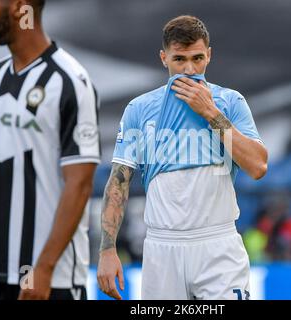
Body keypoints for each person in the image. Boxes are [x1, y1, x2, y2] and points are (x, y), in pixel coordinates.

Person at [97, 15, 267, 300]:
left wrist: (210, 113)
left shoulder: (230, 102)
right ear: (163, 58)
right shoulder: (139, 109)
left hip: (218, 245)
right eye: (179, 60)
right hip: (162, 249)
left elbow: (258, 166)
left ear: (209, 55)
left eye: (198, 58)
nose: (189, 69)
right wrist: (106, 249)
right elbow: (119, 181)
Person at [0, 0, 100, 300]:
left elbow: (80, 182)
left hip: (44, 280)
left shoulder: (70, 79)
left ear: (21, 7)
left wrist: (43, 269)